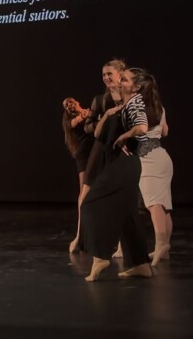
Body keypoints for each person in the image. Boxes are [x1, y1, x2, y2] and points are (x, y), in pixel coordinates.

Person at [80, 67, 152, 281]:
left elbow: (142, 127)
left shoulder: (136, 101)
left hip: (124, 164)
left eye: (124, 79)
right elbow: (98, 134)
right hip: (120, 164)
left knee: (90, 204)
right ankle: (140, 265)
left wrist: (124, 136)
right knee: (128, 215)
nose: (119, 82)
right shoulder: (120, 106)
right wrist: (109, 114)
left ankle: (100, 256)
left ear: (136, 86)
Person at [82, 58, 128, 258]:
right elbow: (88, 127)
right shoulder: (100, 100)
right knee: (86, 194)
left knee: (122, 198)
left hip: (122, 149)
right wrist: (104, 117)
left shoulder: (131, 96)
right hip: (101, 149)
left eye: (110, 73)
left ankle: (122, 245)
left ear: (121, 74)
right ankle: (84, 239)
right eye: (104, 75)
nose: (106, 78)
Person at [130, 68, 174, 267]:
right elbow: (165, 131)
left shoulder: (138, 108)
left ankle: (162, 244)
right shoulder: (159, 107)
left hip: (149, 158)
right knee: (163, 205)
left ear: (138, 87)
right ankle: (163, 249)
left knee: (153, 203)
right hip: (162, 158)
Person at [61, 97, 94, 253]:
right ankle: (80, 235)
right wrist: (83, 115)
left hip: (94, 153)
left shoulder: (88, 110)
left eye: (70, 101)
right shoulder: (72, 121)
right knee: (84, 192)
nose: (69, 104)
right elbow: (79, 120)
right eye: (66, 105)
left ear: (77, 101)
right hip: (84, 155)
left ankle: (89, 234)